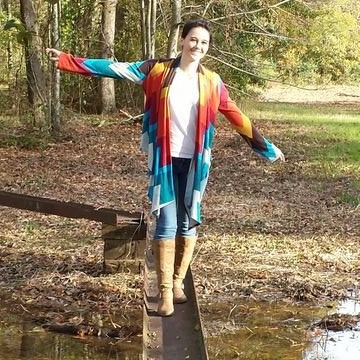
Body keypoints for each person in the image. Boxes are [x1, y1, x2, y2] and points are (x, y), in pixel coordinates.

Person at [46, 18, 285, 317]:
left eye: (204, 43)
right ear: (183, 40)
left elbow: (237, 117)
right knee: (167, 221)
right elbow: (115, 68)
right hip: (164, 161)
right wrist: (70, 61)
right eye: (193, 39)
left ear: (208, 48)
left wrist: (268, 148)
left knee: (188, 221)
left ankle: (177, 282)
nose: (198, 46)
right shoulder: (157, 70)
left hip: (196, 164)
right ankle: (164, 293)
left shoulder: (212, 82)